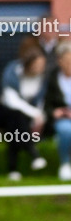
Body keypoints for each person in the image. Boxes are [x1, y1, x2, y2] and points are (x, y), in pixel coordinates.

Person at [0, 46, 48, 180]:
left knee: (17, 127)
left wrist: (38, 117)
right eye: (37, 65)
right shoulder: (12, 71)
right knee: (16, 116)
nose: (41, 67)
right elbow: (11, 101)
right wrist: (35, 114)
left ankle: (13, 169)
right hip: (4, 112)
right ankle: (33, 153)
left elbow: (41, 101)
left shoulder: (43, 78)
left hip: (24, 119)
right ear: (29, 65)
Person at [44, 42, 71, 181]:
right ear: (59, 61)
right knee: (66, 130)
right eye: (66, 60)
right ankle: (65, 163)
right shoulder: (52, 77)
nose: (69, 64)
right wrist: (55, 112)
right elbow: (46, 103)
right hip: (62, 119)